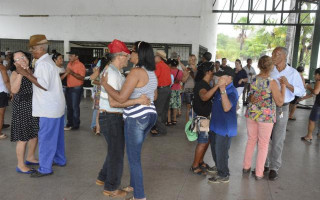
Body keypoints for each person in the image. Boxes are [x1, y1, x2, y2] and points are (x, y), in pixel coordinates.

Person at [101, 41, 157, 200]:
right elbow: (154, 96)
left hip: (136, 117)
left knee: (133, 159)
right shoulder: (151, 72)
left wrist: (105, 84)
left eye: (131, 52)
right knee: (136, 153)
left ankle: (139, 196)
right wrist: (140, 98)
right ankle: (134, 185)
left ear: (139, 55)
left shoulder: (136, 72)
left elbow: (119, 98)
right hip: (150, 115)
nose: (129, 54)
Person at [15, 34, 66, 177]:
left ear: (42, 48)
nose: (31, 52)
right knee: (57, 137)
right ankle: (59, 159)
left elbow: (43, 85)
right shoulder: (47, 61)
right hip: (56, 106)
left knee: (46, 138)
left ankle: (45, 168)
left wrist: (25, 73)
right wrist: (29, 72)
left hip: (48, 108)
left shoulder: (43, 63)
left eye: (33, 49)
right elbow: (41, 79)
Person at [261, 47, 305, 181]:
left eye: (277, 53)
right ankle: (264, 164)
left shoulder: (293, 73)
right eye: (273, 53)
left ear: (285, 56)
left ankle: (274, 167)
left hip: (283, 108)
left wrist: (288, 84)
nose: (274, 55)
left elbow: (301, 92)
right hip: (268, 107)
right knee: (265, 137)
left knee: (278, 139)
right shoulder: (269, 70)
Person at [242, 55, 285, 180]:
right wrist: (283, 86)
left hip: (252, 114)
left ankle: (246, 167)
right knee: (263, 144)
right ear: (271, 67)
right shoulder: (272, 82)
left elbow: (250, 96)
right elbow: (280, 102)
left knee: (251, 140)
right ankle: (259, 173)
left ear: (259, 66)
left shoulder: (253, 79)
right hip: (265, 117)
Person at [207, 66, 238, 183]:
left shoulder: (232, 91)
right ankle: (218, 166)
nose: (218, 78)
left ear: (229, 78)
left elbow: (227, 108)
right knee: (215, 149)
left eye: (221, 76)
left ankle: (224, 174)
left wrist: (222, 89)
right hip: (215, 124)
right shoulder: (220, 88)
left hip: (225, 127)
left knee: (222, 152)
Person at [10, 51, 39, 173]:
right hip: (21, 107)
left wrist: (28, 72)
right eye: (18, 59)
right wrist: (21, 73)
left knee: (34, 134)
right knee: (23, 138)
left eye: (23, 57)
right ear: (14, 63)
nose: (21, 60)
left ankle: (30, 157)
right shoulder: (15, 73)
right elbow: (14, 90)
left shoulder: (32, 70)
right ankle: (20, 165)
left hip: (33, 106)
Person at [190, 62, 217, 175]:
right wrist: (217, 86)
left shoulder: (206, 83)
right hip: (202, 118)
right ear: (208, 72)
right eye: (213, 70)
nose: (215, 72)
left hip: (204, 116)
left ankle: (200, 161)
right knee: (202, 141)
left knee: (206, 141)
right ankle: (195, 165)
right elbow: (204, 97)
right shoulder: (202, 85)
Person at [150, 50, 171, 136]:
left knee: (156, 111)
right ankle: (160, 128)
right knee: (164, 111)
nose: (154, 58)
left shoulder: (158, 66)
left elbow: (154, 78)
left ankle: (162, 130)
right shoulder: (166, 66)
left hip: (161, 90)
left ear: (158, 57)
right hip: (168, 89)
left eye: (155, 56)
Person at [64, 50, 86, 131]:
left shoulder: (80, 65)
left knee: (74, 107)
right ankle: (69, 123)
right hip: (69, 88)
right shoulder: (69, 64)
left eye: (71, 55)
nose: (69, 57)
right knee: (69, 107)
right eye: (69, 55)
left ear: (76, 56)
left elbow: (82, 78)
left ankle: (75, 124)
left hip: (76, 88)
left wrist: (72, 73)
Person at [300, 68, 320, 143]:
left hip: (318, 105)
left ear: (318, 75)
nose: (314, 76)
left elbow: (315, 92)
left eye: (315, 74)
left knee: (312, 120)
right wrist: (304, 98)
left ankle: (309, 136)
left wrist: (308, 87)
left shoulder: (318, 81)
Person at [167, 58, 183, 125]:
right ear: (177, 64)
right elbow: (181, 80)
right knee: (175, 105)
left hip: (170, 89)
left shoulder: (168, 71)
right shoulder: (180, 72)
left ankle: (169, 120)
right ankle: (174, 120)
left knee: (169, 106)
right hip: (177, 89)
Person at [182, 54, 197, 122]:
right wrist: (188, 73)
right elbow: (183, 80)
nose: (193, 61)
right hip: (188, 90)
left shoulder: (198, 68)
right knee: (188, 108)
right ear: (189, 60)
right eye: (191, 59)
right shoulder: (187, 68)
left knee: (196, 107)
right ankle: (188, 125)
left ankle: (194, 123)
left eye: (194, 59)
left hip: (196, 90)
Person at [0, 58, 10, 140]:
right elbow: (6, 80)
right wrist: (11, 91)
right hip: (1, 92)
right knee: (0, 115)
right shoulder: (1, 67)